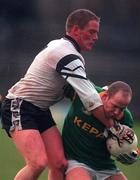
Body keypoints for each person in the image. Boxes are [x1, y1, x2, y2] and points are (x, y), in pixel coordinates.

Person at [1, 9, 115, 180]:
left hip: (39, 109)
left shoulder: (63, 47)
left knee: (60, 164)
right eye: (92, 32)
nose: (96, 37)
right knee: (37, 162)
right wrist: (115, 128)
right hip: (19, 106)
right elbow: (90, 99)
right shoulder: (68, 55)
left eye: (96, 33)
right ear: (76, 30)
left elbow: (78, 91)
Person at [62, 81, 138, 180]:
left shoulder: (125, 118)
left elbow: (130, 144)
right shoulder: (84, 93)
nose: (117, 112)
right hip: (76, 161)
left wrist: (133, 153)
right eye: (114, 106)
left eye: (122, 109)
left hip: (105, 166)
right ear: (105, 95)